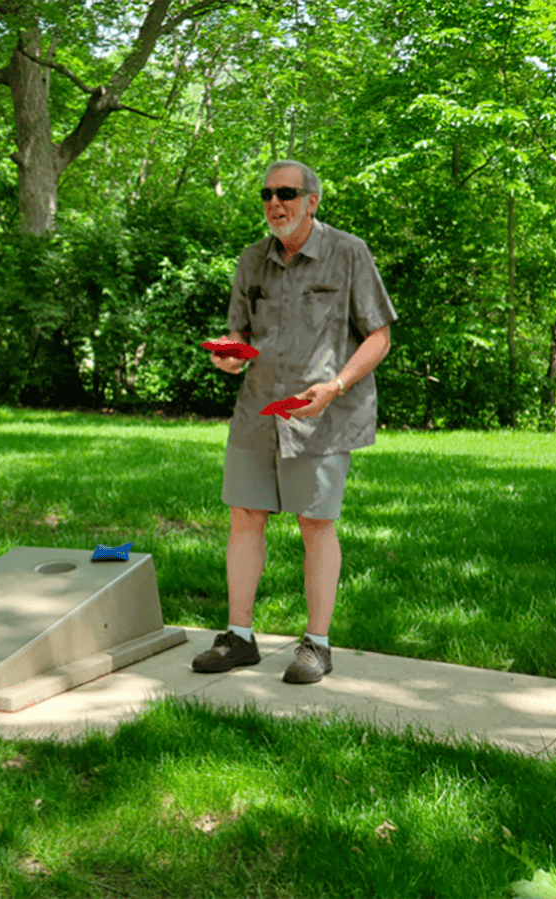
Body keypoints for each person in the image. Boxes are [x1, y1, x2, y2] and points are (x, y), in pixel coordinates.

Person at [192, 160, 397, 684]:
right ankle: (239, 637)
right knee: (244, 517)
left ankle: (317, 645)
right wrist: (229, 356)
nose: (274, 203)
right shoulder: (251, 261)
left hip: (322, 416)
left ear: (312, 200)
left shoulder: (349, 253)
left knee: (315, 523)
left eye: (286, 192)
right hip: (257, 411)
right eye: (266, 194)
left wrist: (336, 386)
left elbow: (379, 336)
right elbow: (238, 334)